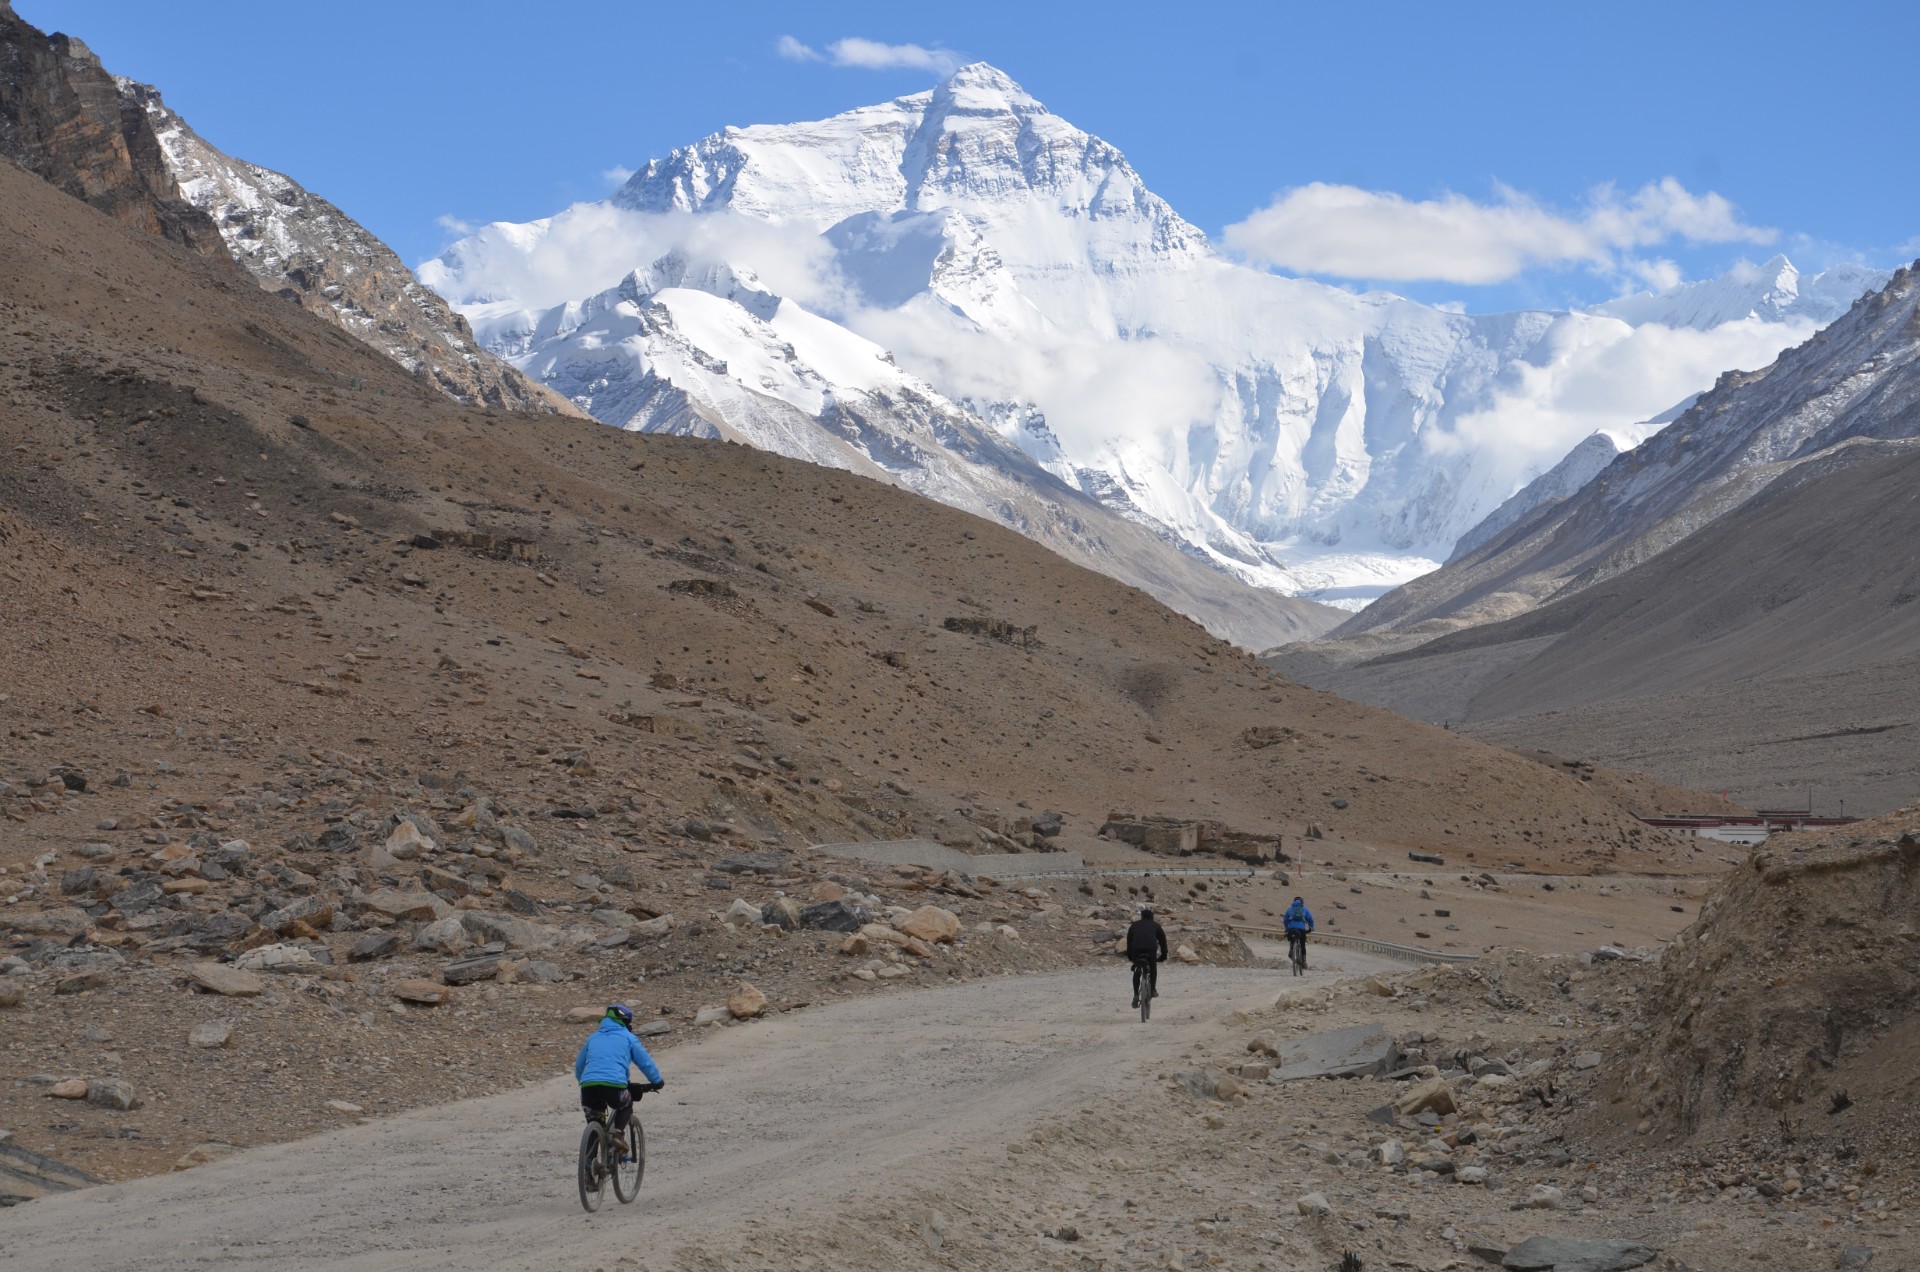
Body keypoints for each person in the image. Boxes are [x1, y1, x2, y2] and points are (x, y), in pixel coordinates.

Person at [574, 1003, 664, 1158]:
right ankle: (617, 1134)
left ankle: (589, 1172)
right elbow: (645, 1062)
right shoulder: (628, 1037)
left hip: (588, 1087)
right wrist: (657, 1081)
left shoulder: (593, 1038)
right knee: (626, 1102)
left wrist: (585, 1080)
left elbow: (579, 1065)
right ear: (625, 1022)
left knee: (594, 1122)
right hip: (614, 1087)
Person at [1126, 906, 1169, 1008]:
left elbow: (1129, 942)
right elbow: (1163, 942)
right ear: (1152, 916)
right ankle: (1153, 989)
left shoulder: (1134, 926)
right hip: (1150, 950)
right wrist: (1163, 955)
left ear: (1141, 916)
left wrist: (1131, 957)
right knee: (1153, 967)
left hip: (1136, 950)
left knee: (1137, 970)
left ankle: (1136, 994)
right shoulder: (1156, 926)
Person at [1283, 895, 1315, 969]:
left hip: (1291, 929)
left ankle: (1291, 949)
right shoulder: (1305, 909)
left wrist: (1287, 927)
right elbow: (1310, 919)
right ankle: (1303, 960)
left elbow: (1285, 920)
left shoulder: (1290, 909)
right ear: (1302, 902)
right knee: (1303, 944)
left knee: (1292, 939)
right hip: (1301, 929)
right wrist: (1311, 927)